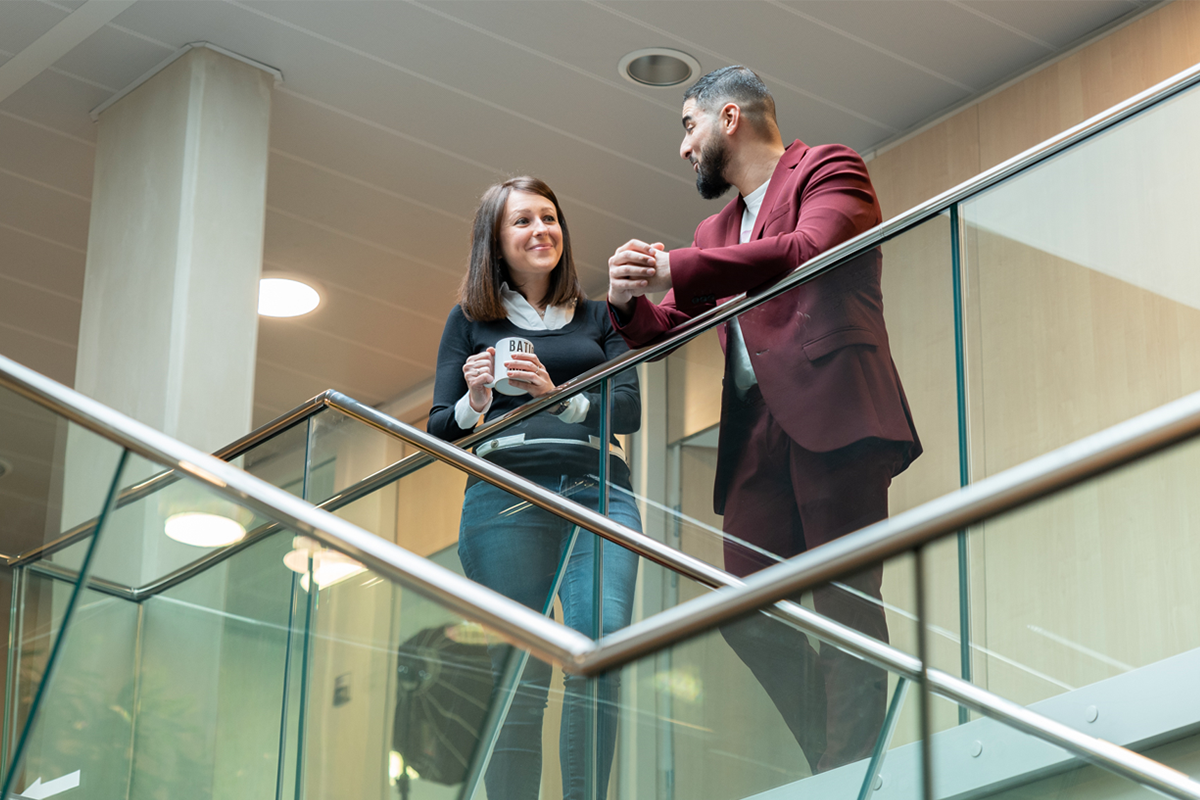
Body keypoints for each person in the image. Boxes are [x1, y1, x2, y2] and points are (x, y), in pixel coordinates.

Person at [607, 66, 921, 774]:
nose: (683, 149)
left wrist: (681, 266)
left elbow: (808, 250)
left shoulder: (830, 168)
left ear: (729, 119)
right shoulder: (713, 229)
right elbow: (665, 326)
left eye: (688, 127)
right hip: (755, 435)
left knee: (843, 603)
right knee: (744, 608)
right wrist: (628, 300)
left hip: (836, 414)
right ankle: (836, 762)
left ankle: (853, 772)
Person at [428, 176, 641, 800]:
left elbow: (629, 407)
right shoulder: (469, 321)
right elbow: (440, 430)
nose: (541, 230)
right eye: (522, 221)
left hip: (599, 491)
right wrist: (475, 399)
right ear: (494, 241)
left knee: (598, 654)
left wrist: (557, 397)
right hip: (505, 497)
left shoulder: (600, 316)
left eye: (549, 217)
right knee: (518, 680)